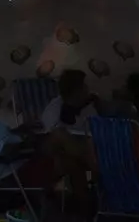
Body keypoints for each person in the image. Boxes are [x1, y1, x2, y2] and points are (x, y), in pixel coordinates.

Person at [0, 84, 56, 206]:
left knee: (56, 147)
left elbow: (5, 137)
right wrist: (26, 144)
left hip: (17, 164)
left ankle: (48, 200)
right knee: (58, 153)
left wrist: (21, 130)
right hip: (10, 173)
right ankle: (48, 201)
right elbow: (2, 150)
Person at [39, 69, 97, 208]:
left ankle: (85, 204)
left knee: (74, 163)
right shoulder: (54, 109)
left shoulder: (90, 107)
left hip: (76, 154)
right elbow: (53, 138)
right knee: (63, 140)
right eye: (85, 86)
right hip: (56, 153)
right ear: (77, 90)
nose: (88, 89)